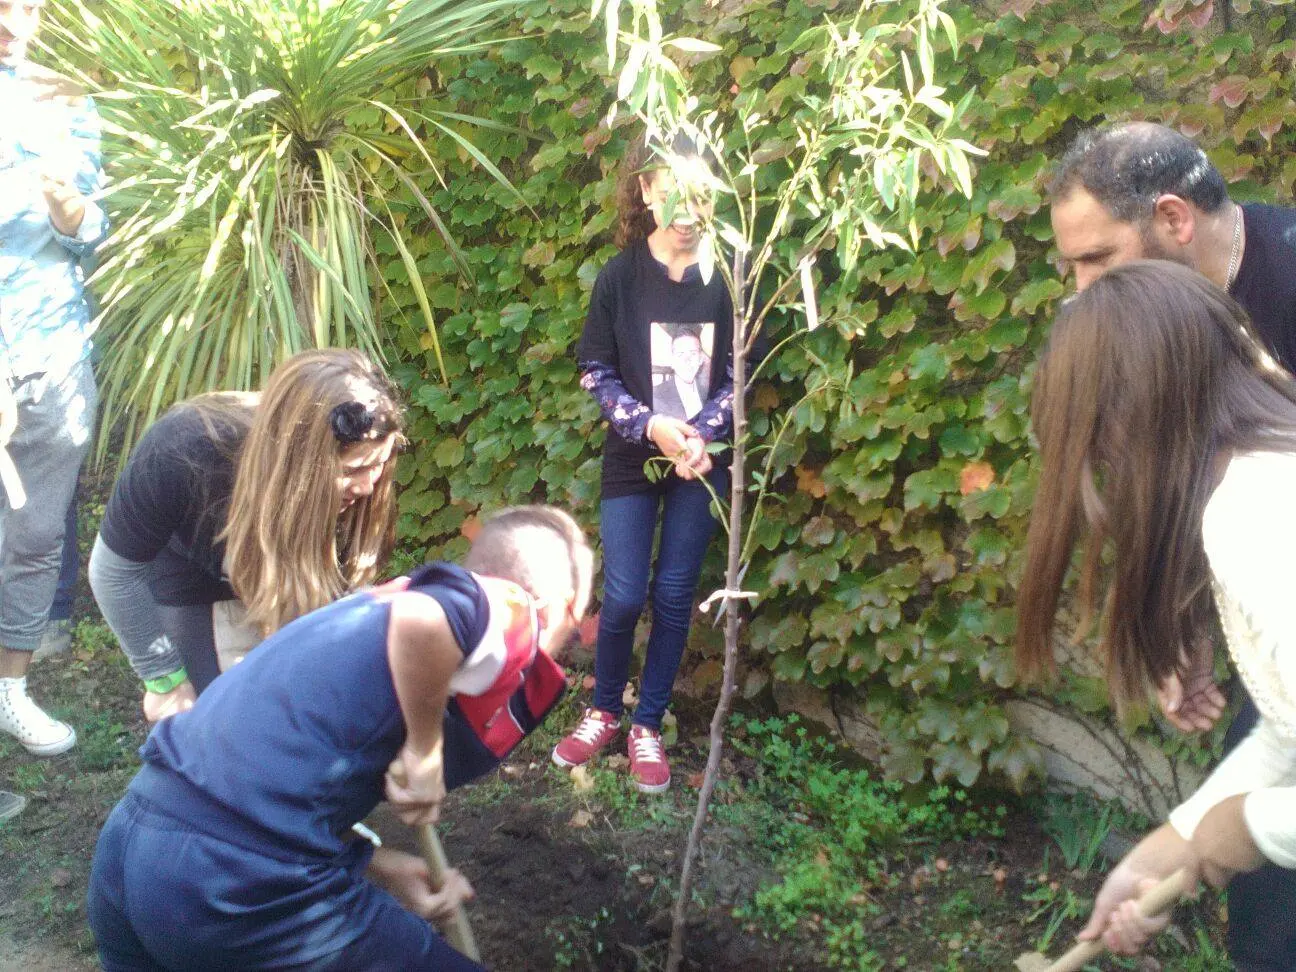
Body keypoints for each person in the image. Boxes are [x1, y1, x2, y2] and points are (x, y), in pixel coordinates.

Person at [86, 505, 593, 972]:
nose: (560, 649)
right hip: (231, 884)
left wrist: (377, 865)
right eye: (574, 629)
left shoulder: (360, 615)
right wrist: (424, 750)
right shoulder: (514, 607)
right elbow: (426, 620)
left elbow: (263, 779)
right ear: (558, 607)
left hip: (133, 847)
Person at [1049, 121, 1296, 969]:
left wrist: (1252, 825)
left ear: (1173, 218)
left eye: (1098, 260)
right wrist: (1179, 841)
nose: (1078, 293)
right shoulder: (1248, 493)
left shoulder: (1257, 511)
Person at [551, 130, 733, 794]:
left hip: (702, 464)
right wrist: (650, 425)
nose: (688, 213)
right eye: (674, 194)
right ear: (647, 191)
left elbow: (742, 377)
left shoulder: (727, 277)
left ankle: (646, 724)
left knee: (675, 594)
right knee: (626, 593)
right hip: (633, 458)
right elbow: (595, 369)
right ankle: (603, 711)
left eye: (701, 196)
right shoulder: (620, 276)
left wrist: (699, 437)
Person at [89, 348, 403, 723]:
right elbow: (113, 574)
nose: (368, 486)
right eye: (354, 471)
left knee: (323, 709)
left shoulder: (364, 475)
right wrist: (165, 681)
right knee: (217, 724)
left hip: (300, 572)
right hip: (199, 581)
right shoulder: (183, 452)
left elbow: (341, 595)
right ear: (298, 462)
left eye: (378, 466)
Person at [0, 0, 106, 756]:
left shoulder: (67, 98)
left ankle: (11, 690)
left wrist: (70, 208)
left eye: (26, 2)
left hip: (54, 347)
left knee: (36, 533)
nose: (13, 15)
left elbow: (91, 229)